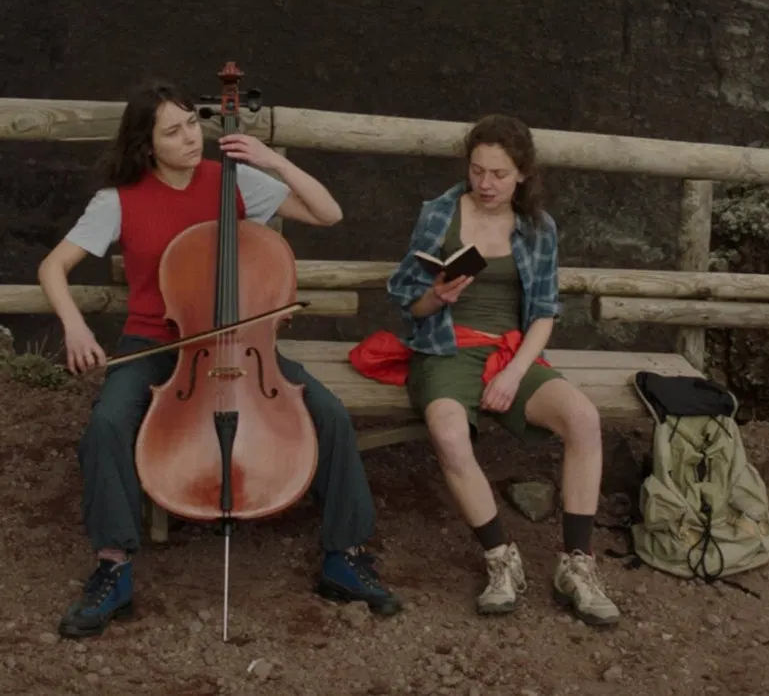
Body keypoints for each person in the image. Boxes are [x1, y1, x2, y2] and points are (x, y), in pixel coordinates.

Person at [38, 81, 400, 639]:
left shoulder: (230, 181)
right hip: (156, 345)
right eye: (173, 131)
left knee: (327, 413)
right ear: (146, 143)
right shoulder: (119, 199)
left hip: (244, 345)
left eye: (192, 124)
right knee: (107, 423)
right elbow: (52, 268)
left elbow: (328, 213)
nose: (190, 138)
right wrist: (74, 324)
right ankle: (114, 567)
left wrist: (269, 158)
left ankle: (343, 558)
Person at [383, 114, 620, 626]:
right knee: (448, 432)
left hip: (513, 351)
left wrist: (514, 374)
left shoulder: (537, 227)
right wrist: (435, 296)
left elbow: (543, 313)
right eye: (477, 171)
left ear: (523, 175)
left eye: (499, 174)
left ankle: (576, 565)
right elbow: (410, 304)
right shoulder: (439, 213)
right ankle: (500, 558)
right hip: (445, 348)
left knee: (582, 418)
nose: (486, 184)